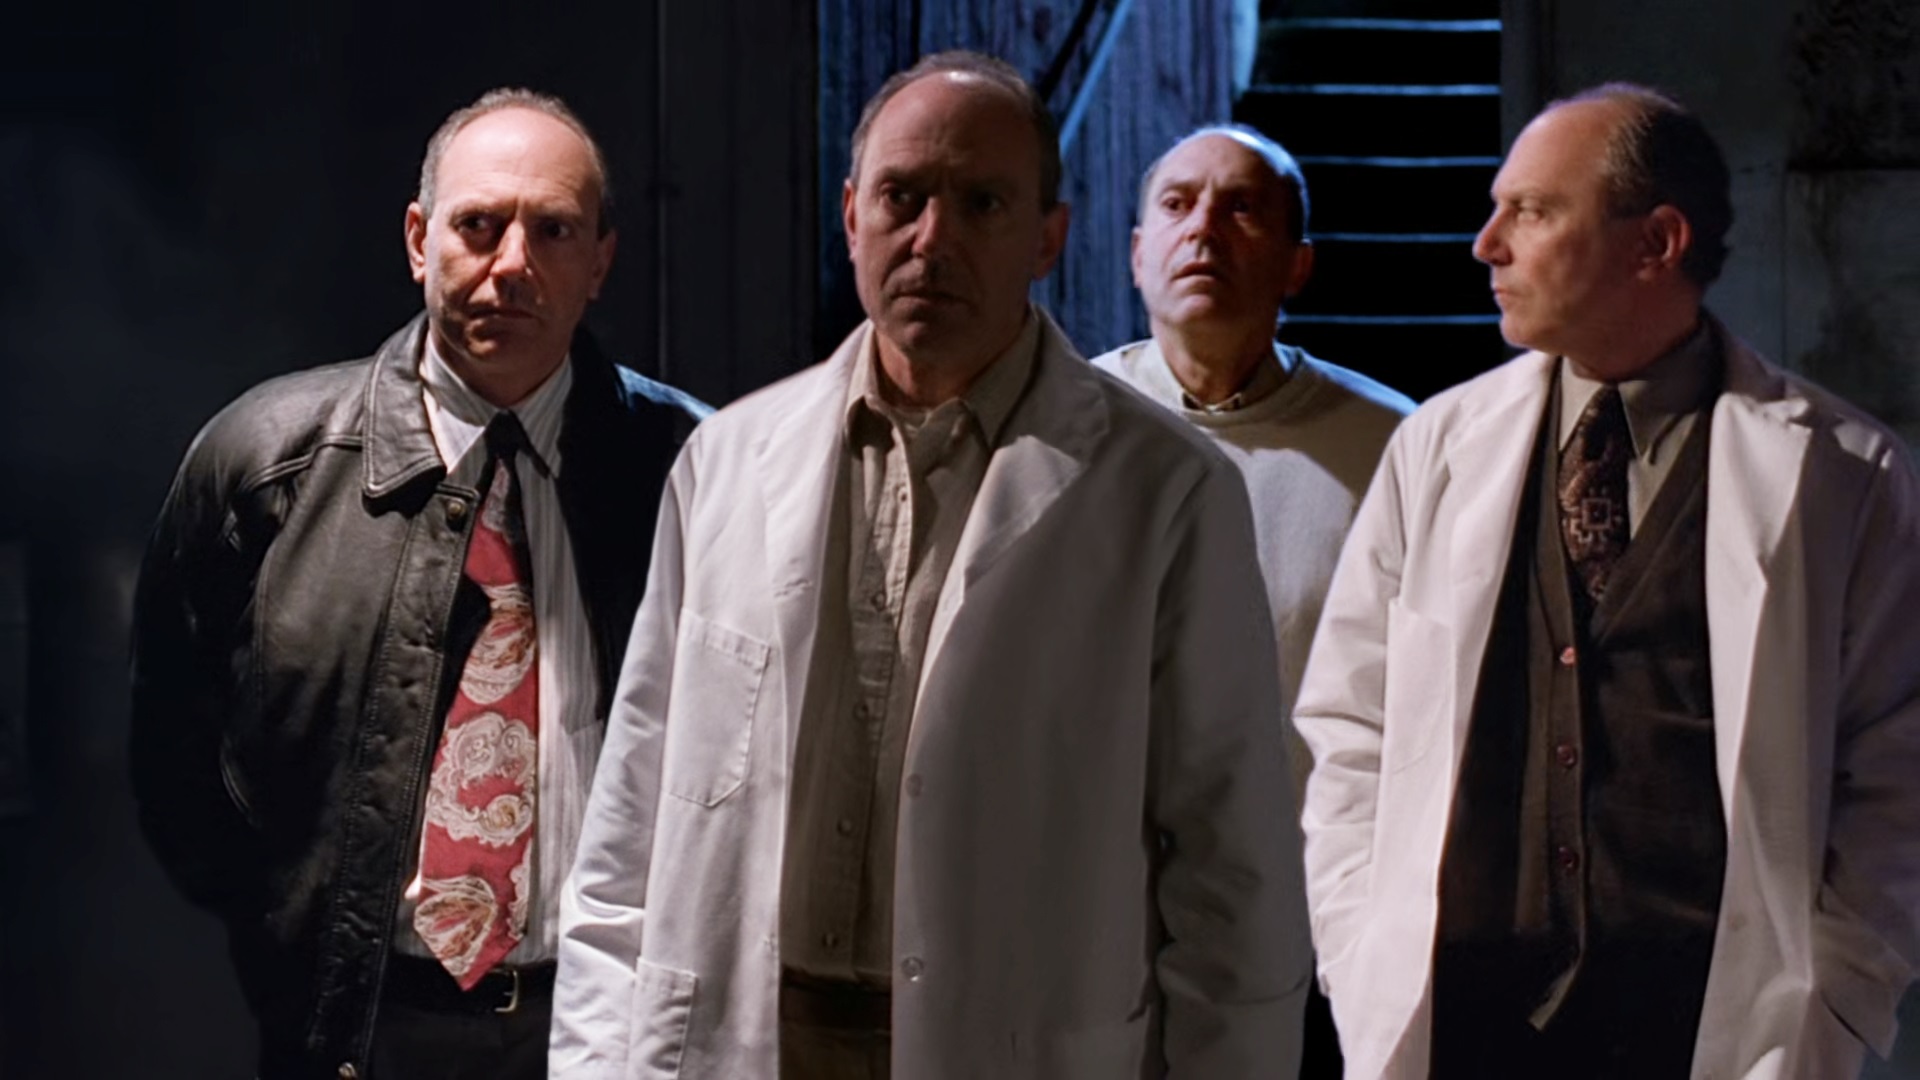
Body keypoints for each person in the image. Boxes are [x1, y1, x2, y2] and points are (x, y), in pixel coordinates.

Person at [552, 50, 1310, 1079]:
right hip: (740, 1038)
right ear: (851, 214)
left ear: (1049, 236)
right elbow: (632, 820)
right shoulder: (727, 458)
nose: (932, 239)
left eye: (982, 203)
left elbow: (1232, 873)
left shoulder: (1164, 490)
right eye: (902, 198)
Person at [1294, 82, 1920, 1080]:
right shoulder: (1439, 445)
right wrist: (1357, 941)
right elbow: (1350, 722)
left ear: (1656, 242)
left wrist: (1837, 989)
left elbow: (1894, 766)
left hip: (1710, 1028)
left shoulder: (1844, 471)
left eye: (1532, 211)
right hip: (1467, 1025)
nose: (1487, 245)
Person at [129, 88, 707, 1079]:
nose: (512, 264)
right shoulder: (266, 462)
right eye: (478, 225)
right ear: (417, 239)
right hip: (360, 1030)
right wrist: (288, 929)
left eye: (554, 231)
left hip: (610, 1026)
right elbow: (174, 757)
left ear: (600, 261)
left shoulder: (697, 466)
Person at [1092, 125, 1411, 1079]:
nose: (1204, 229)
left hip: (1304, 929)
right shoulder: (1059, 431)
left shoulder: (1392, 447)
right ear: (1137, 252)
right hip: (1095, 920)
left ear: (1297, 263)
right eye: (1178, 204)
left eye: (1241, 208)